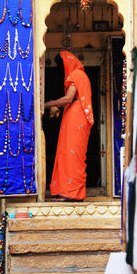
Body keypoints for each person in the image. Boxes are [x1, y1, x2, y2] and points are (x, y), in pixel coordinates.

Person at [45, 51, 94, 201]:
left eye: (61, 65)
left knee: (71, 154)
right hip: (77, 117)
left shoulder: (75, 75)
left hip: (76, 118)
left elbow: (68, 99)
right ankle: (69, 191)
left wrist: (48, 104)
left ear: (67, 63)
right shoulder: (82, 76)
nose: (61, 69)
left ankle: (73, 193)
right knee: (70, 154)